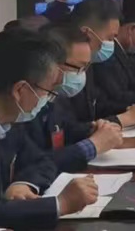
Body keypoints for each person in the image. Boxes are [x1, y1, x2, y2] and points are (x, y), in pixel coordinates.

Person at [0, 28, 98, 227]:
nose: (49, 99)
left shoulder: (9, 118)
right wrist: (60, 204)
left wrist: (23, 183)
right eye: (49, 90)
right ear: (20, 90)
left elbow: (40, 159)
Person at [27, 26, 123, 172]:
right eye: (79, 68)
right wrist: (93, 145)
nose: (81, 75)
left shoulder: (55, 97)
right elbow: (32, 165)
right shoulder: (26, 103)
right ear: (52, 65)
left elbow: (63, 130)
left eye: (85, 68)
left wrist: (92, 130)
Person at [68, 0, 135, 126]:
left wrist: (133, 107)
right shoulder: (63, 70)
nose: (112, 44)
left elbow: (98, 106)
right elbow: (68, 128)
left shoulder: (88, 65)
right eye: (110, 38)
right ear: (86, 33)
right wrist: (126, 118)